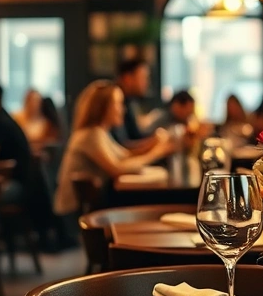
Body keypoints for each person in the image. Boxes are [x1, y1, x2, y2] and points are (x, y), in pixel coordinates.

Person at [54, 81, 176, 215]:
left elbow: (126, 155)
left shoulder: (100, 132)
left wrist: (153, 142)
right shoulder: (91, 135)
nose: (123, 109)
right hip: (74, 213)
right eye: (118, 104)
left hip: (89, 206)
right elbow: (117, 169)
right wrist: (159, 151)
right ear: (103, 107)